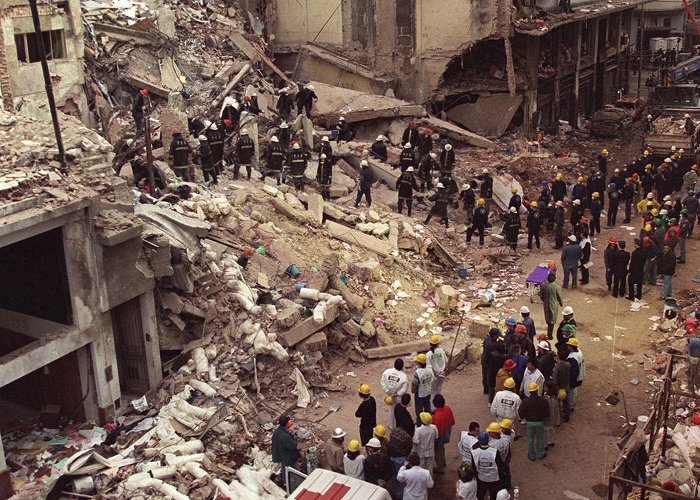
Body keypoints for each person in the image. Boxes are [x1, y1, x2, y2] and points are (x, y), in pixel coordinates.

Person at [517, 382, 549, 461]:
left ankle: (531, 455)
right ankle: (540, 454)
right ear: (537, 390)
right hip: (540, 422)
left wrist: (524, 418)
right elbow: (547, 412)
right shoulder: (543, 400)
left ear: (529, 391)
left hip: (530, 423)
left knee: (530, 439)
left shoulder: (526, 401)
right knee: (540, 438)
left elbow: (520, 411)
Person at [471, 432, 503, 499]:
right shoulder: (494, 452)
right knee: (493, 495)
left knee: (480, 495)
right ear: (488, 440)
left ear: (479, 441)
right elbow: (500, 466)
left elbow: (473, 468)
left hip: (481, 478)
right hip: (494, 479)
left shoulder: (474, 453)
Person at [271, 415, 301, 488]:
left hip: (281, 455)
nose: (291, 421)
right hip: (289, 457)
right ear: (286, 423)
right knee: (295, 470)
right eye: (289, 421)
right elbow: (292, 446)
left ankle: (285, 483)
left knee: (285, 469)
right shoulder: (285, 436)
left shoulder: (277, 431)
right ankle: (299, 483)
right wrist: (294, 438)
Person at [381, 358, 408, 429]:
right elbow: (404, 389)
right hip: (398, 398)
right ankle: (398, 425)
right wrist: (397, 393)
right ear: (402, 366)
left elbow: (382, 382)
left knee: (391, 410)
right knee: (398, 411)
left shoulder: (387, 372)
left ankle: (391, 425)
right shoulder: (404, 376)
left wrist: (387, 391)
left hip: (390, 396)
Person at [432, 394, 455, 474]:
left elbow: (437, 431)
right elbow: (452, 421)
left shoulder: (436, 416)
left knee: (438, 449)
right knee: (442, 448)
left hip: (440, 434)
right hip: (447, 430)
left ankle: (440, 467)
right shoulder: (447, 408)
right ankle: (443, 461)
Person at [389, 426, 414, 499]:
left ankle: (395, 491)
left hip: (392, 456)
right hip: (401, 458)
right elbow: (410, 447)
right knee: (401, 478)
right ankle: (400, 495)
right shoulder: (407, 438)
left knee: (394, 476)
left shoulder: (393, 432)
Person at [540, 272, 563, 339]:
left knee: (547, 318)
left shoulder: (543, 286)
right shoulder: (557, 287)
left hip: (546, 305)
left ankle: (549, 332)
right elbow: (559, 296)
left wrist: (545, 301)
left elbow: (541, 296)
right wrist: (561, 303)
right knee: (552, 320)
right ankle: (550, 334)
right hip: (554, 305)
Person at [412, 353, 433, 424]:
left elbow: (415, 384)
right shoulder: (429, 370)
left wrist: (413, 390)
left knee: (419, 409)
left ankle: (419, 422)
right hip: (428, 391)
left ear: (419, 363)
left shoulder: (418, 372)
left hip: (420, 393)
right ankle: (428, 420)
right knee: (427, 406)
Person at [566, 338, 585, 413]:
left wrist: (570, 381)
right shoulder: (579, 352)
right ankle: (572, 404)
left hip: (575, 378)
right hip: (580, 375)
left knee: (571, 393)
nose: (567, 346)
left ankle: (571, 407)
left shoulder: (572, 358)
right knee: (574, 391)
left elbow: (573, 372)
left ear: (571, 346)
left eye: (568, 345)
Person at [552, 349, 571, 421]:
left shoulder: (556, 368)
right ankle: (567, 416)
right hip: (566, 385)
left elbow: (554, 380)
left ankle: (558, 418)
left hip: (559, 388)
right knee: (566, 402)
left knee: (558, 403)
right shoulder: (568, 364)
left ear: (558, 356)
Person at [481, 328, 500, 394]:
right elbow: (492, 354)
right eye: (498, 334)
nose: (499, 336)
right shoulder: (491, 344)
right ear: (494, 335)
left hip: (484, 360)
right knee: (488, 376)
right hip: (488, 362)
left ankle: (485, 389)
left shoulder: (487, 339)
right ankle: (488, 390)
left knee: (485, 375)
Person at [543, 380, 560, 449]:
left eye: (545, 387)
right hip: (553, 417)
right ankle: (551, 441)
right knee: (551, 429)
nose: (544, 388)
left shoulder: (547, 399)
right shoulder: (555, 398)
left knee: (545, 431)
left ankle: (546, 444)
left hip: (547, 418)